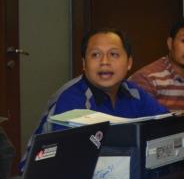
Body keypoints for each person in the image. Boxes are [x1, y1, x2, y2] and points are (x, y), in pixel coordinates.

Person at [30, 28, 167, 137]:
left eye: (113, 54)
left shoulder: (134, 92)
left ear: (129, 63)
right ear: (84, 64)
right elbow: (67, 155)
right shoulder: (70, 98)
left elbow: (167, 125)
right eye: (95, 55)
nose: (104, 62)